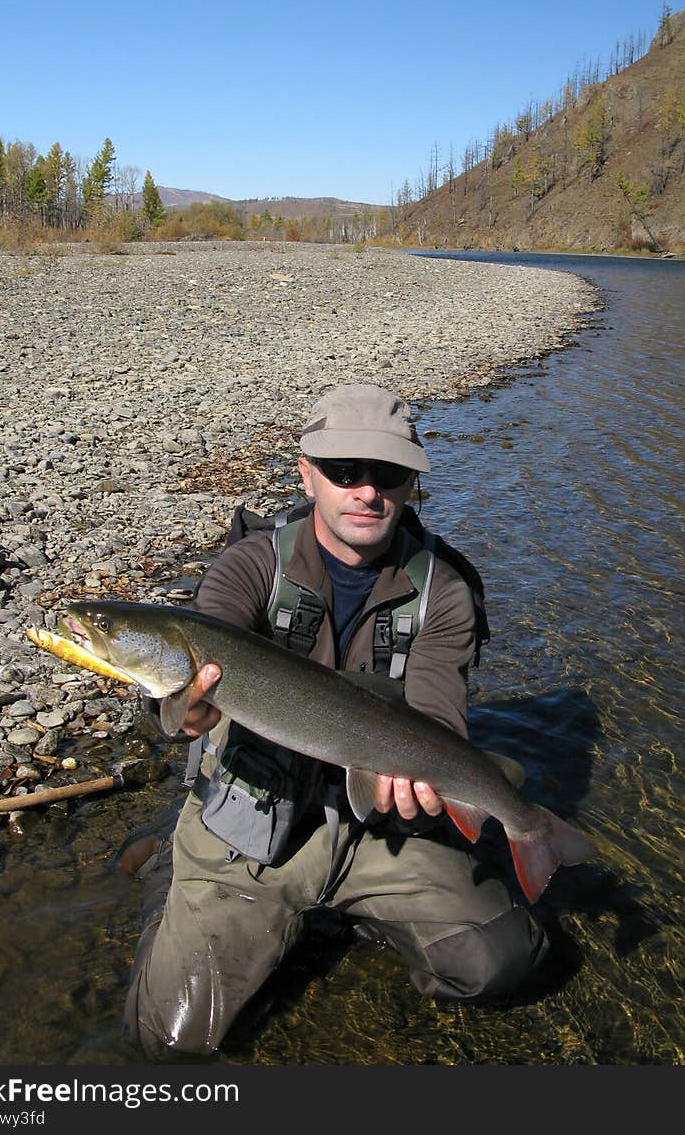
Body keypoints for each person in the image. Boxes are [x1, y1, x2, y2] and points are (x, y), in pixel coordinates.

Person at [122, 383, 550, 1058]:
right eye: (344, 471)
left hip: (375, 826)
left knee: (503, 960)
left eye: (387, 474)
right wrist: (180, 711)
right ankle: (171, 875)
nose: (366, 490)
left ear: (411, 484)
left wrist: (443, 787)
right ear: (306, 474)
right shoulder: (251, 566)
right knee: (168, 1043)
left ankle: (355, 912)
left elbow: (437, 715)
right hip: (252, 819)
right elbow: (172, 694)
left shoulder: (446, 591)